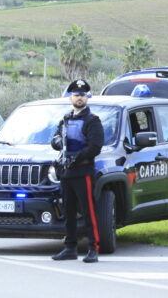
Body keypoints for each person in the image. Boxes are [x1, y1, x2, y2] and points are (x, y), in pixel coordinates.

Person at [51, 79, 104, 263]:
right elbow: (55, 139)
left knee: (89, 212)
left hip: (83, 172)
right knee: (68, 211)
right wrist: (58, 143)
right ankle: (70, 247)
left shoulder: (93, 121)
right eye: (75, 94)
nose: (79, 97)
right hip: (66, 173)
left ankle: (93, 248)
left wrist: (78, 157)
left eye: (82, 95)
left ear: (87, 97)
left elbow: (95, 147)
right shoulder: (65, 119)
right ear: (70, 97)